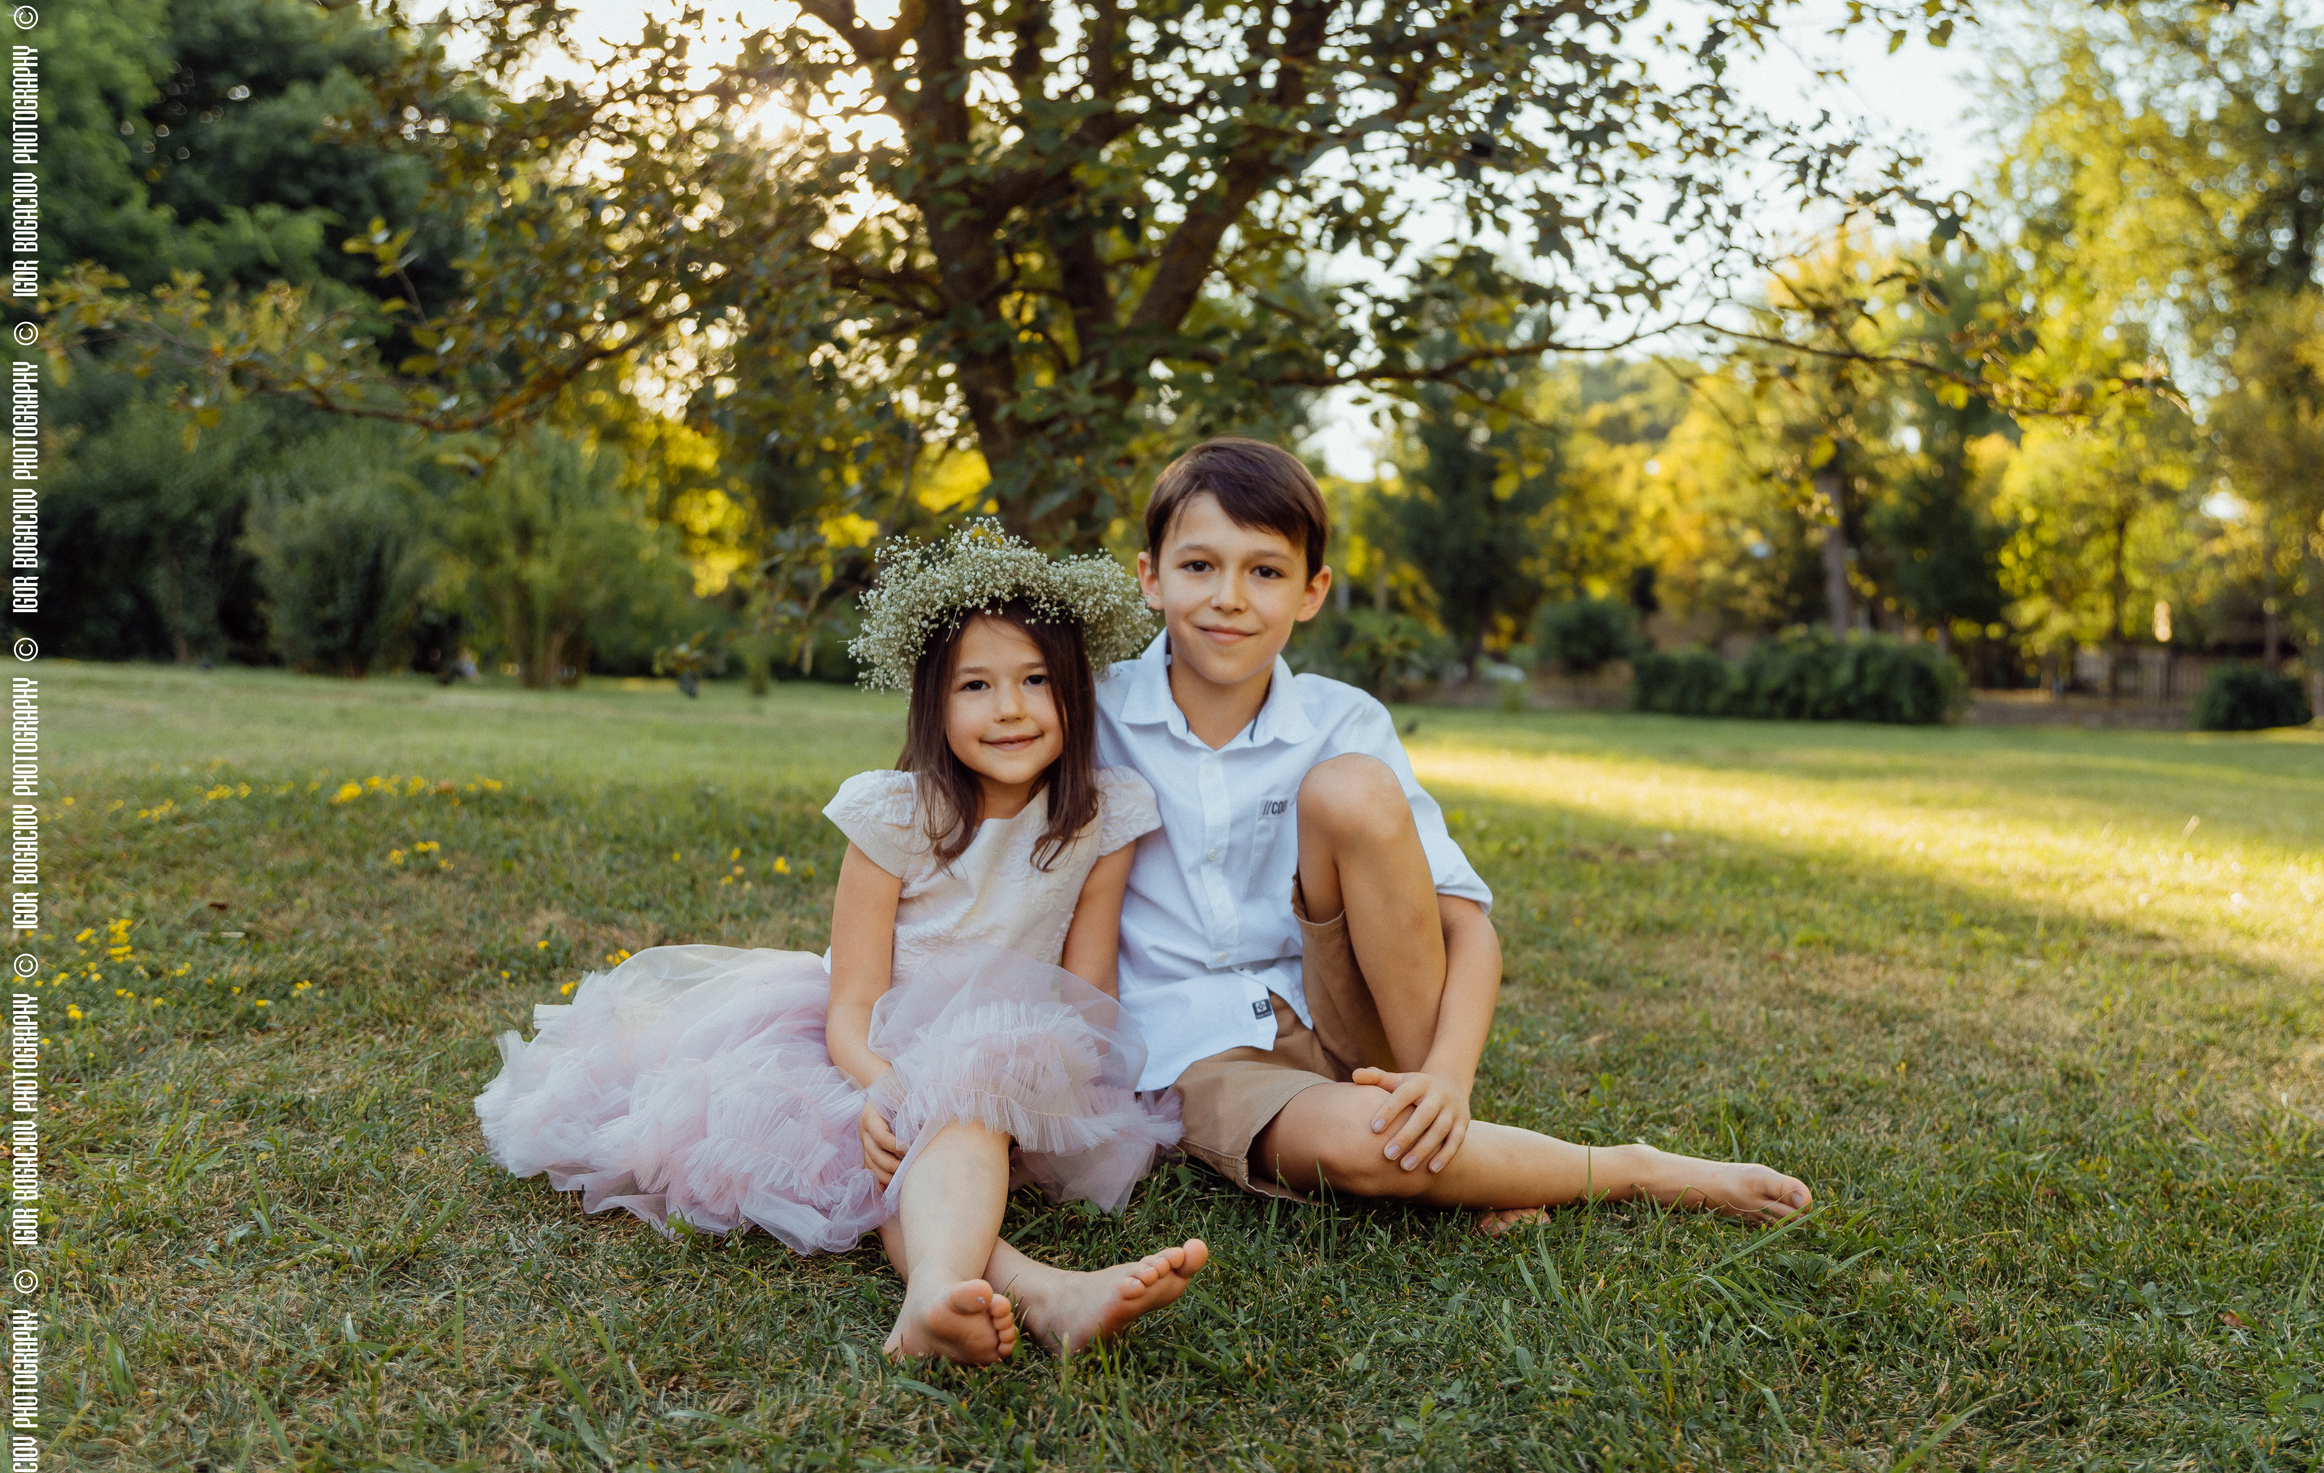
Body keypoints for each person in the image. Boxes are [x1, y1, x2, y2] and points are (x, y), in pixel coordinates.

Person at [475, 527, 1210, 1365]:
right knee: (909, 1143)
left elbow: (1087, 989)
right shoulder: (895, 815)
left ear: (1076, 693)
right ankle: (1020, 1293)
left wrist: (1057, 1085)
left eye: (1037, 681)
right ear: (932, 701)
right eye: (976, 684)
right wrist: (886, 1085)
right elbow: (852, 1002)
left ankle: (972, 1293)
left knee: (966, 1095)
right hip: (864, 1051)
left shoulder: (1100, 816)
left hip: (1015, 1051)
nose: (1010, 707)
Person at [1098, 439, 1813, 1225]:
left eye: (1265, 571)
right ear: (1150, 577)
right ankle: (1626, 1170)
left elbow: (1465, 930)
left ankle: (1442, 1120)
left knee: (1352, 789)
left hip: (1354, 1017)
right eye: (1200, 565)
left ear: (1312, 590)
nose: (1229, 596)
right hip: (1202, 1050)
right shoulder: (1090, 712)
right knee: (1369, 1153)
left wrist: (1447, 1078)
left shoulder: (1344, 721)